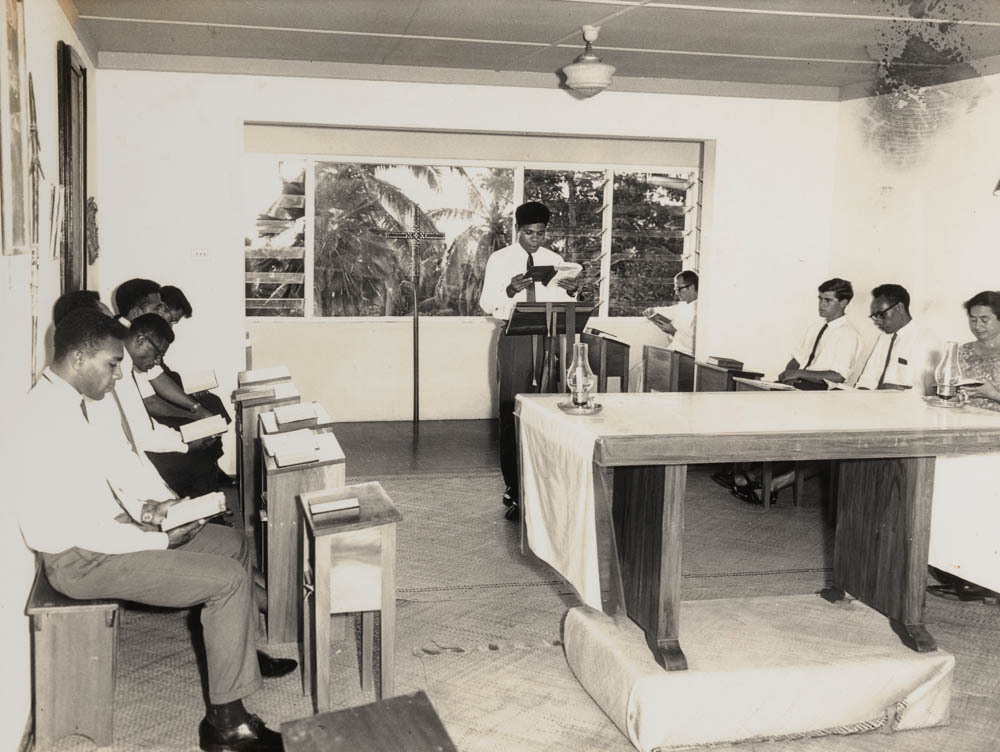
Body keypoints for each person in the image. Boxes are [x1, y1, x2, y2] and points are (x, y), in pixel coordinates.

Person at [8, 309, 285, 751]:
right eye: (112, 364)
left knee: (232, 544)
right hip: (81, 561)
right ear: (78, 358)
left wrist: (152, 510)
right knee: (229, 582)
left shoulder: (71, 404)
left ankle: (239, 656)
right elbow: (70, 528)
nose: (119, 375)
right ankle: (226, 724)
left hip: (109, 535)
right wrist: (157, 538)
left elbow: (107, 479)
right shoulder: (42, 420)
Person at [479, 201, 579, 520]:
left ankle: (542, 484)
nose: (535, 239)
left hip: (547, 338)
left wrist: (572, 290)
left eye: (541, 233)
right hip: (515, 339)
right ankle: (514, 488)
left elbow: (562, 301)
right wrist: (510, 289)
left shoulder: (554, 260)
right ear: (518, 230)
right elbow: (486, 303)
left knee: (547, 411)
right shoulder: (500, 259)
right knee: (513, 411)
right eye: (529, 233)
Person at [928, 290, 1000, 601]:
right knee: (953, 500)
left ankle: (983, 580)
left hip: (996, 441)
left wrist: (993, 393)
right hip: (967, 434)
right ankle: (960, 574)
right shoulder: (964, 352)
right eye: (973, 319)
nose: (977, 326)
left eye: (985, 320)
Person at [116, 313, 223, 498]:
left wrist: (181, 438)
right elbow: (142, 435)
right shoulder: (120, 375)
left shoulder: (130, 365)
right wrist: (185, 445)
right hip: (134, 453)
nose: (158, 361)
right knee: (199, 464)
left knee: (202, 455)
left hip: (146, 442)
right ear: (141, 340)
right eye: (158, 354)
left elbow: (147, 424)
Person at [778, 277, 864, 386]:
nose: (821, 304)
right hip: (799, 385)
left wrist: (798, 373)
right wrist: (788, 377)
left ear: (843, 303)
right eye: (820, 299)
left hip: (822, 390)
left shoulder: (849, 335)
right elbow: (796, 359)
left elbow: (838, 376)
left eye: (828, 300)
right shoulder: (815, 328)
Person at [854, 283, 937, 393]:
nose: (878, 321)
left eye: (881, 314)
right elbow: (867, 379)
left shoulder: (925, 339)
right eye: (875, 316)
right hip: (874, 401)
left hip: (905, 403)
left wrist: (892, 391)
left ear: (900, 307)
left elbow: (927, 391)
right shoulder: (884, 338)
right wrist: (862, 395)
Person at [642, 270, 698, 356]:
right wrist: (652, 310)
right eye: (675, 289)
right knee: (646, 357)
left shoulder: (701, 311)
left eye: (679, 289)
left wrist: (673, 332)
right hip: (674, 350)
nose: (676, 293)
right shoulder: (683, 305)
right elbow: (667, 311)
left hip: (685, 356)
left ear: (691, 287)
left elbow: (694, 345)